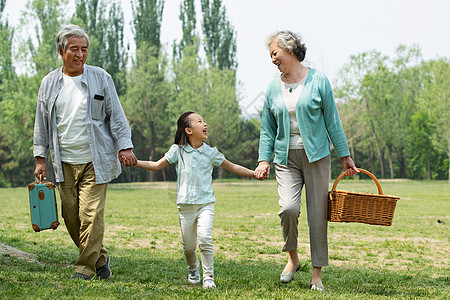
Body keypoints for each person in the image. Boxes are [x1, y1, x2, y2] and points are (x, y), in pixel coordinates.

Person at [254, 30, 358, 291]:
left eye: (274, 53)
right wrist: (263, 160)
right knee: (288, 209)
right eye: (270, 55)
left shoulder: (318, 80)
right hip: (285, 157)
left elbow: (332, 121)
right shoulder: (272, 86)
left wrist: (345, 155)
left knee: (317, 215)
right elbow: (267, 128)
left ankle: (316, 274)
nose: (272, 59)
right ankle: (292, 258)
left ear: (290, 50)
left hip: (317, 156)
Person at [33, 24, 137, 280]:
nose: (80, 55)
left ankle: (85, 268)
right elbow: (41, 123)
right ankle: (100, 258)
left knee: (90, 216)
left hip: (96, 160)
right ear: (61, 51)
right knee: (71, 218)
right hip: (63, 162)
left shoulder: (101, 77)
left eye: (84, 49)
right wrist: (40, 158)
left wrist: (125, 145)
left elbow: (117, 115)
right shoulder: (49, 83)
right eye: (74, 49)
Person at [133, 111, 256, 289]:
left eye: (204, 121)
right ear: (188, 130)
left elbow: (231, 166)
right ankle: (192, 268)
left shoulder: (211, 152)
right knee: (189, 247)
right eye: (199, 121)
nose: (204, 124)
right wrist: (134, 162)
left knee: (205, 238)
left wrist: (253, 173)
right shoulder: (178, 151)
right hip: (185, 207)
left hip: (205, 204)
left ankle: (208, 277)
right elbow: (156, 165)